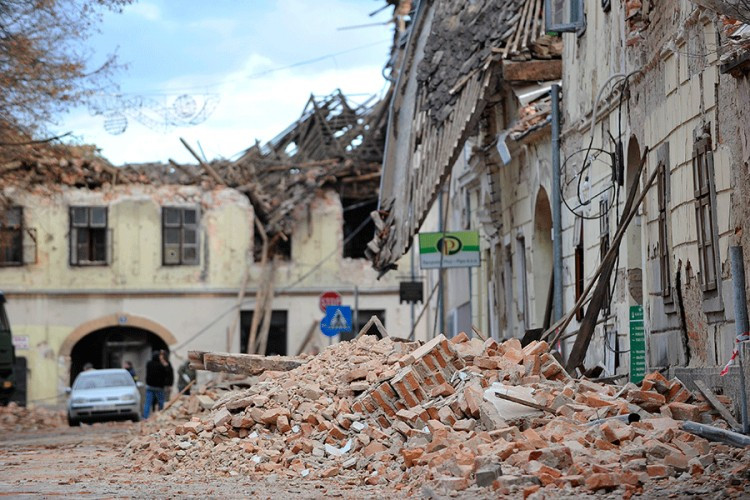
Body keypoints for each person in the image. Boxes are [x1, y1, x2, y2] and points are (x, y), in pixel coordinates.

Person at [143, 351, 170, 419]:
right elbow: (166, 374)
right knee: (161, 402)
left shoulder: (149, 364)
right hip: (159, 387)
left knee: (147, 403)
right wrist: (166, 366)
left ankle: (145, 417)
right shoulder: (161, 365)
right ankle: (161, 415)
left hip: (150, 386)